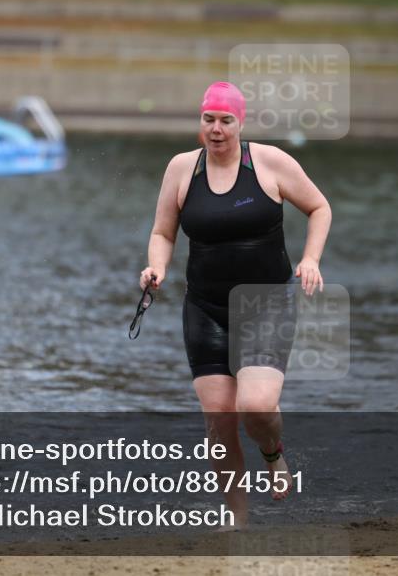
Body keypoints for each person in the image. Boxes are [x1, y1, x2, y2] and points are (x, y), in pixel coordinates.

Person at [138, 81, 331, 528]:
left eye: (226, 120)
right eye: (209, 119)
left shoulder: (269, 163)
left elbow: (319, 207)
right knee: (220, 419)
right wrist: (157, 268)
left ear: (240, 123)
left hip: (267, 303)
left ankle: (273, 453)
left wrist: (310, 259)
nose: (217, 129)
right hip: (206, 308)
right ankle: (237, 518)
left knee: (257, 407)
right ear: (200, 121)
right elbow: (163, 232)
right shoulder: (182, 169)